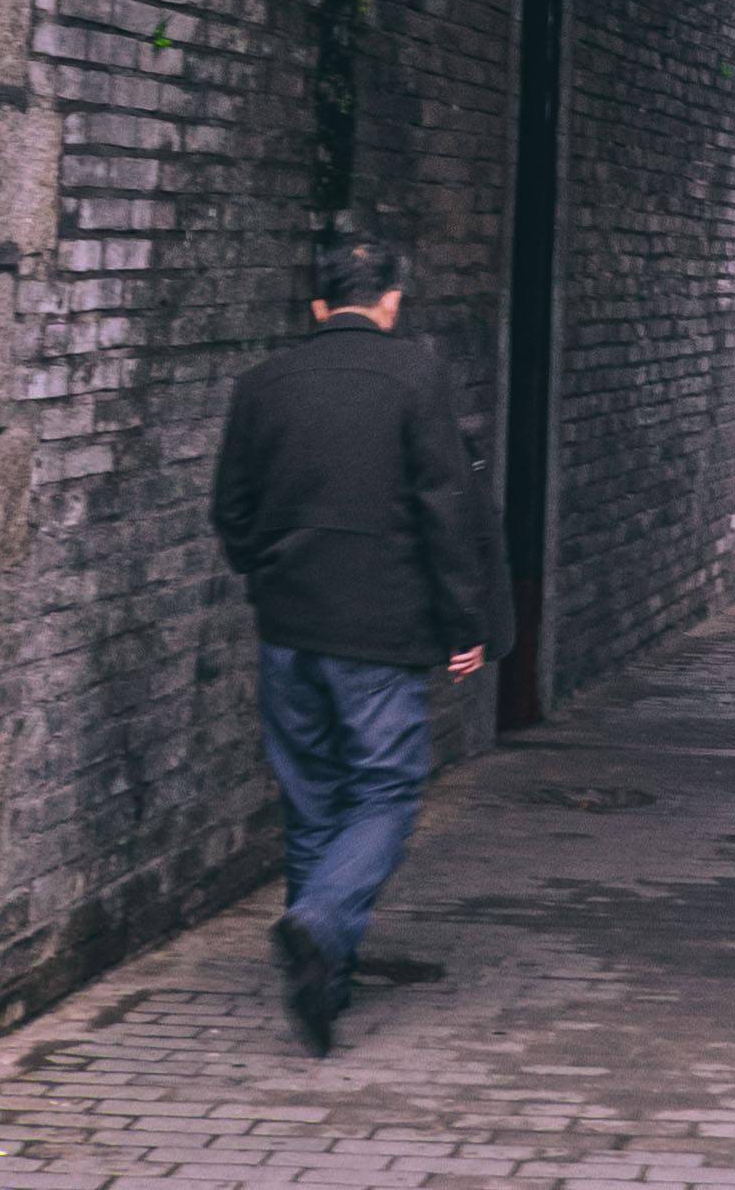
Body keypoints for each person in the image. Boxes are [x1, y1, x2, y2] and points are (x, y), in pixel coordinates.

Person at [207, 230, 492, 1052]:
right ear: (392, 301)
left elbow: (231, 508)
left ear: (318, 305)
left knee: (311, 796)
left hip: (288, 625)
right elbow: (446, 506)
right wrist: (463, 623)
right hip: (379, 628)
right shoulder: (415, 375)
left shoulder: (263, 383)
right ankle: (323, 918)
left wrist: (268, 575)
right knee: (386, 787)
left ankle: (323, 981)